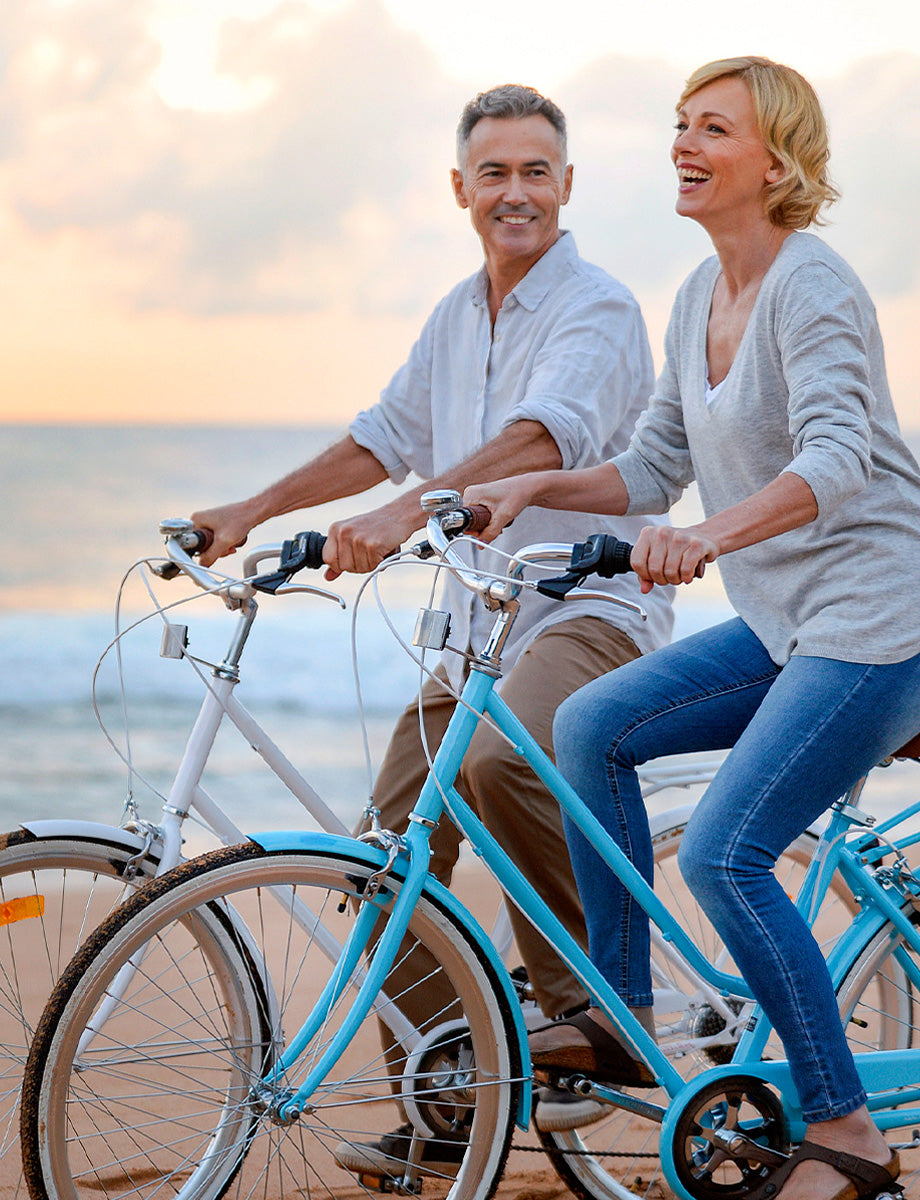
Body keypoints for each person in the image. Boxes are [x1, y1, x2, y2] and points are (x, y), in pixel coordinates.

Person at [465, 57, 920, 1200]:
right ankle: (619, 1009)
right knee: (593, 723)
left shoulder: (815, 286)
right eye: (680, 126)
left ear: (779, 163)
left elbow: (838, 460)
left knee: (724, 850)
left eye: (713, 129)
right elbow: (651, 465)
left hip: (886, 614)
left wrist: (711, 536)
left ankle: (847, 1136)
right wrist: (525, 492)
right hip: (792, 619)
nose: (684, 145)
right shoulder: (699, 297)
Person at [190, 83, 673, 1173]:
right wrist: (251, 513)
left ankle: (596, 1014)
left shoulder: (595, 308)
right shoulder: (457, 314)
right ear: (461, 189)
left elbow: (544, 431)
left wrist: (414, 505)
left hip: (583, 610)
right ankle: (447, 1100)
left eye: (536, 171)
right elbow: (383, 436)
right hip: (473, 628)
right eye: (494, 173)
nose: (517, 193)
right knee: (386, 850)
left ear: (567, 186)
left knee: (505, 766)